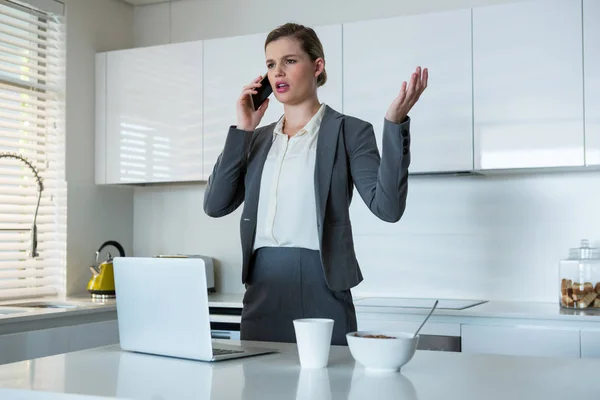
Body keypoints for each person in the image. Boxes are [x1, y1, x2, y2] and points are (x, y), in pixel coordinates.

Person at [203, 22, 427, 346]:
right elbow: (215, 205)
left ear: (317, 66)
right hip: (262, 290)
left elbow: (388, 207)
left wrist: (394, 125)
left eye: (289, 61)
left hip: (324, 289)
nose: (277, 73)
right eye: (270, 64)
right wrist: (243, 129)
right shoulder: (256, 141)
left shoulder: (350, 131)